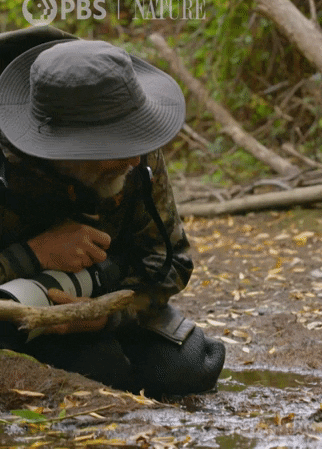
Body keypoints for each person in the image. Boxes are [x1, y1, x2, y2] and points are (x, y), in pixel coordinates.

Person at [0, 29, 225, 397]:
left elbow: (169, 261)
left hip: (107, 301)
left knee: (187, 368)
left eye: (133, 137)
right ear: (58, 146)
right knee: (97, 374)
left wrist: (105, 314)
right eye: (113, 145)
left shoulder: (136, 151)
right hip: (10, 314)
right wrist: (32, 255)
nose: (134, 159)